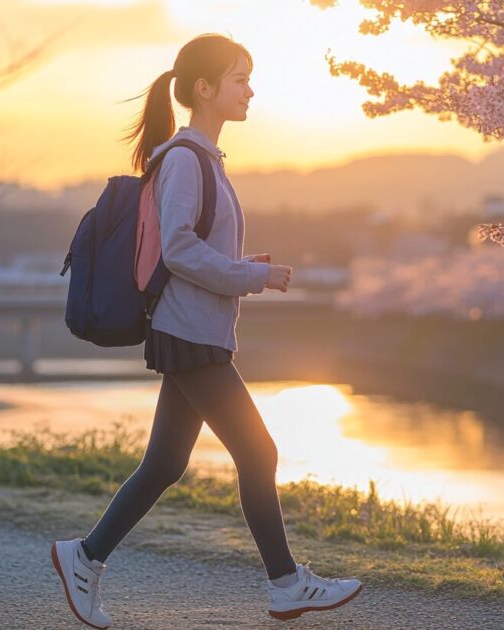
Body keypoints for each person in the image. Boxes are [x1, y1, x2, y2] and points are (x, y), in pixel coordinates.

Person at [50, 33, 364, 628]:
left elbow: (194, 247)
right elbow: (178, 248)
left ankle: (85, 556)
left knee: (166, 464)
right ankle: (287, 584)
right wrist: (252, 275)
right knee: (259, 451)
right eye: (240, 78)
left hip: (194, 331)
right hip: (189, 333)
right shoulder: (187, 160)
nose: (250, 90)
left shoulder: (201, 159)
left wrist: (244, 268)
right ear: (204, 88)